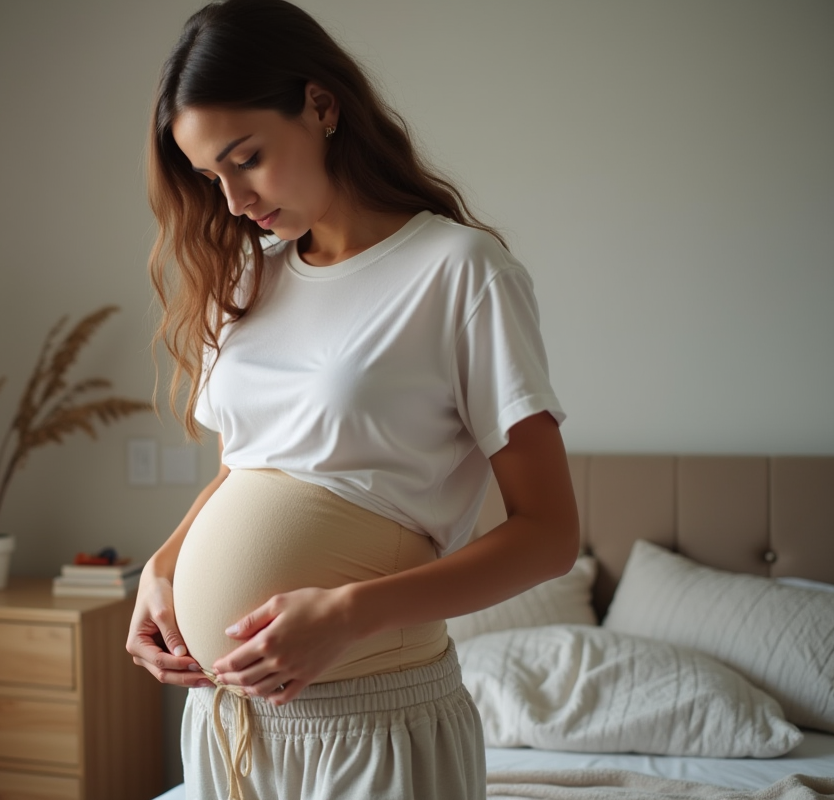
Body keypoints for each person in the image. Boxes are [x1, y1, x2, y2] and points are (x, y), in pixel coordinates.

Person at [126, 1, 579, 798]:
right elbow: (250, 473)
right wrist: (164, 569)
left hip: (369, 730)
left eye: (247, 158)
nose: (232, 200)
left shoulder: (459, 273)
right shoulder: (246, 280)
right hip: (226, 728)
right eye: (209, 177)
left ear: (322, 105)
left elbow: (548, 537)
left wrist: (346, 614)